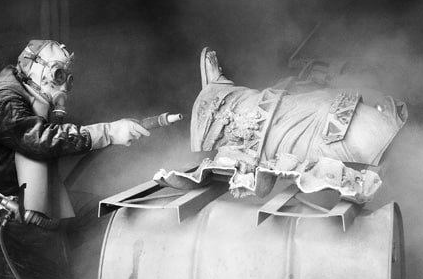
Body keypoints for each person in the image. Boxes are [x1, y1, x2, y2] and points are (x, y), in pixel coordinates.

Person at [0, 39, 149, 279]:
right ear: (35, 69)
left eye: (67, 76)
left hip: (35, 198)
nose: (63, 84)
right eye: (57, 74)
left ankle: (46, 255)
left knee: (101, 210)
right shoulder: (4, 102)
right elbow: (42, 140)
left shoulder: (26, 91)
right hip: (6, 210)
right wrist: (109, 132)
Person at [155, 47, 407, 203]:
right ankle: (230, 102)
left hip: (365, 135)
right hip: (376, 131)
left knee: (284, 124)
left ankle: (224, 101)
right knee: (299, 114)